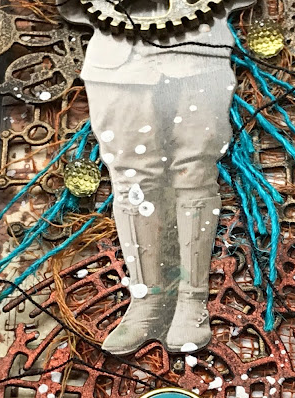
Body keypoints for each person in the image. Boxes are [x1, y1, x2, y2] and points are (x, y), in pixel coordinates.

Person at [57, 0, 252, 354]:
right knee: (131, 179)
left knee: (195, 171)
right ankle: (146, 302)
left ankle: (192, 300)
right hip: (117, 57)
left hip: (198, 49)